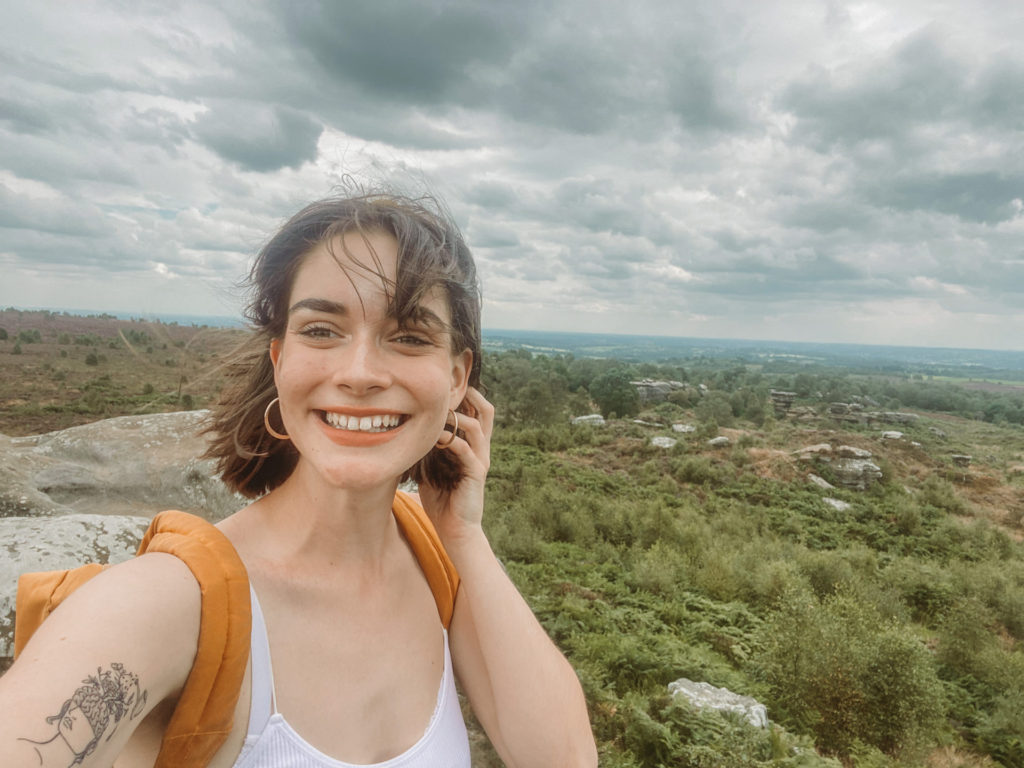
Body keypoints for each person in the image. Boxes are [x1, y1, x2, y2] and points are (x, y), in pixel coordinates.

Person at [0, 193, 597, 767]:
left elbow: (562, 759)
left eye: (410, 337)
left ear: (458, 376)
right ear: (280, 358)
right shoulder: (175, 601)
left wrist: (464, 535)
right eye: (321, 330)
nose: (360, 374)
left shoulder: (433, 558)